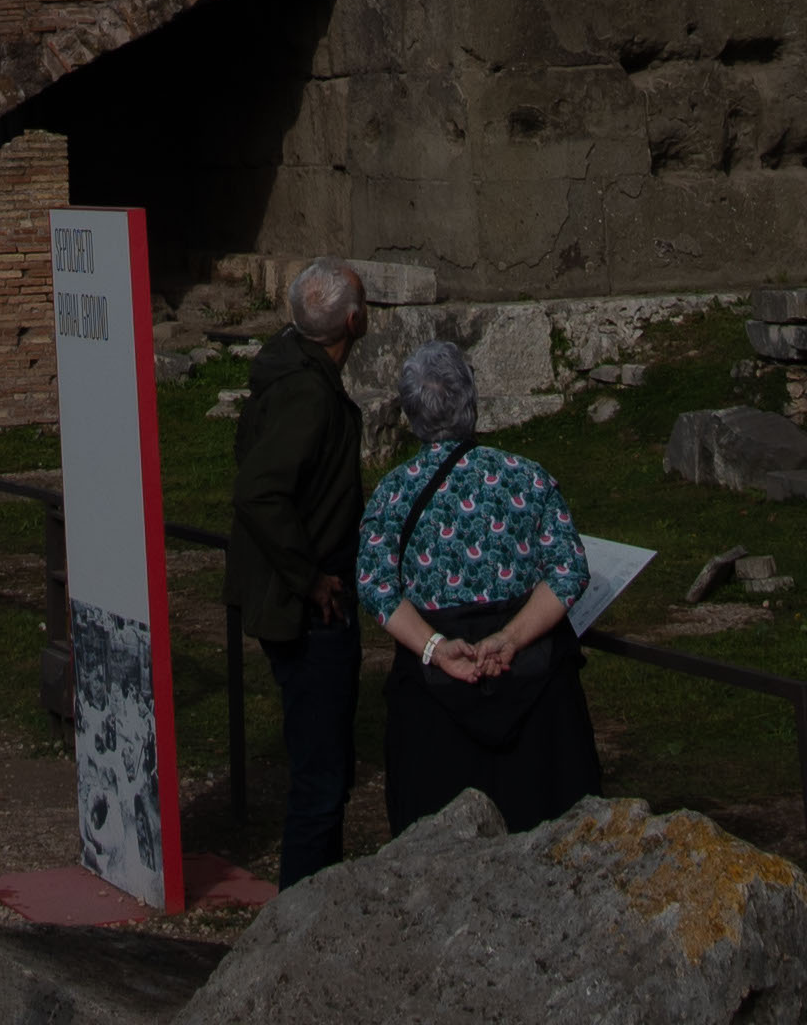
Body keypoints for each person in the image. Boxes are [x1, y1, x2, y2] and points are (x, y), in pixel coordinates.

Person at [359, 334, 595, 837]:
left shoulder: (392, 491)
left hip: (435, 691)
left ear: (410, 412)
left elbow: (376, 586)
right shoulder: (528, 478)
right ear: (472, 402)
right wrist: (508, 640)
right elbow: (569, 570)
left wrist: (436, 648)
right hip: (532, 683)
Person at [229, 262, 372, 887]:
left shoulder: (291, 369)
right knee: (321, 780)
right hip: (310, 608)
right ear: (352, 320)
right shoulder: (307, 395)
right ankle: (304, 913)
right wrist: (311, 578)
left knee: (321, 767)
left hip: (296, 596)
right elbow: (259, 492)